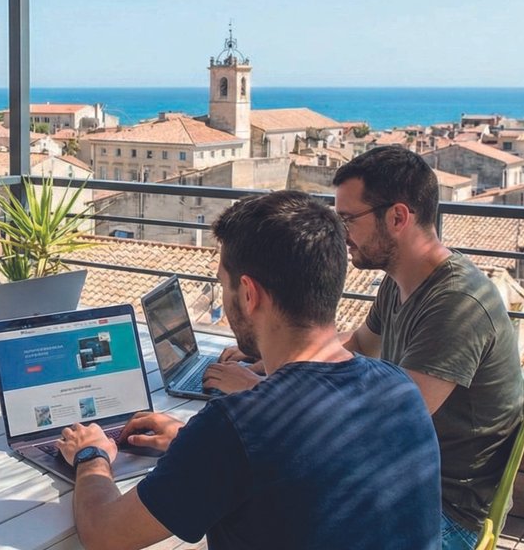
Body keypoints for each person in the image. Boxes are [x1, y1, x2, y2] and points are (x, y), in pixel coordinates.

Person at [57, 191, 441, 550]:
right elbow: (304, 468)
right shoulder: (398, 388)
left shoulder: (237, 425)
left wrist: (91, 453)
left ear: (248, 294)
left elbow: (104, 533)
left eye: (222, 285)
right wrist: (191, 443)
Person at [209, 146, 524, 549]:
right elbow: (356, 344)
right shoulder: (402, 281)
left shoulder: (457, 304)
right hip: (392, 480)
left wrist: (263, 395)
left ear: (397, 217)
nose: (339, 235)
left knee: (255, 513)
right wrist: (268, 365)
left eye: (347, 219)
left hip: (440, 511)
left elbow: (386, 427)